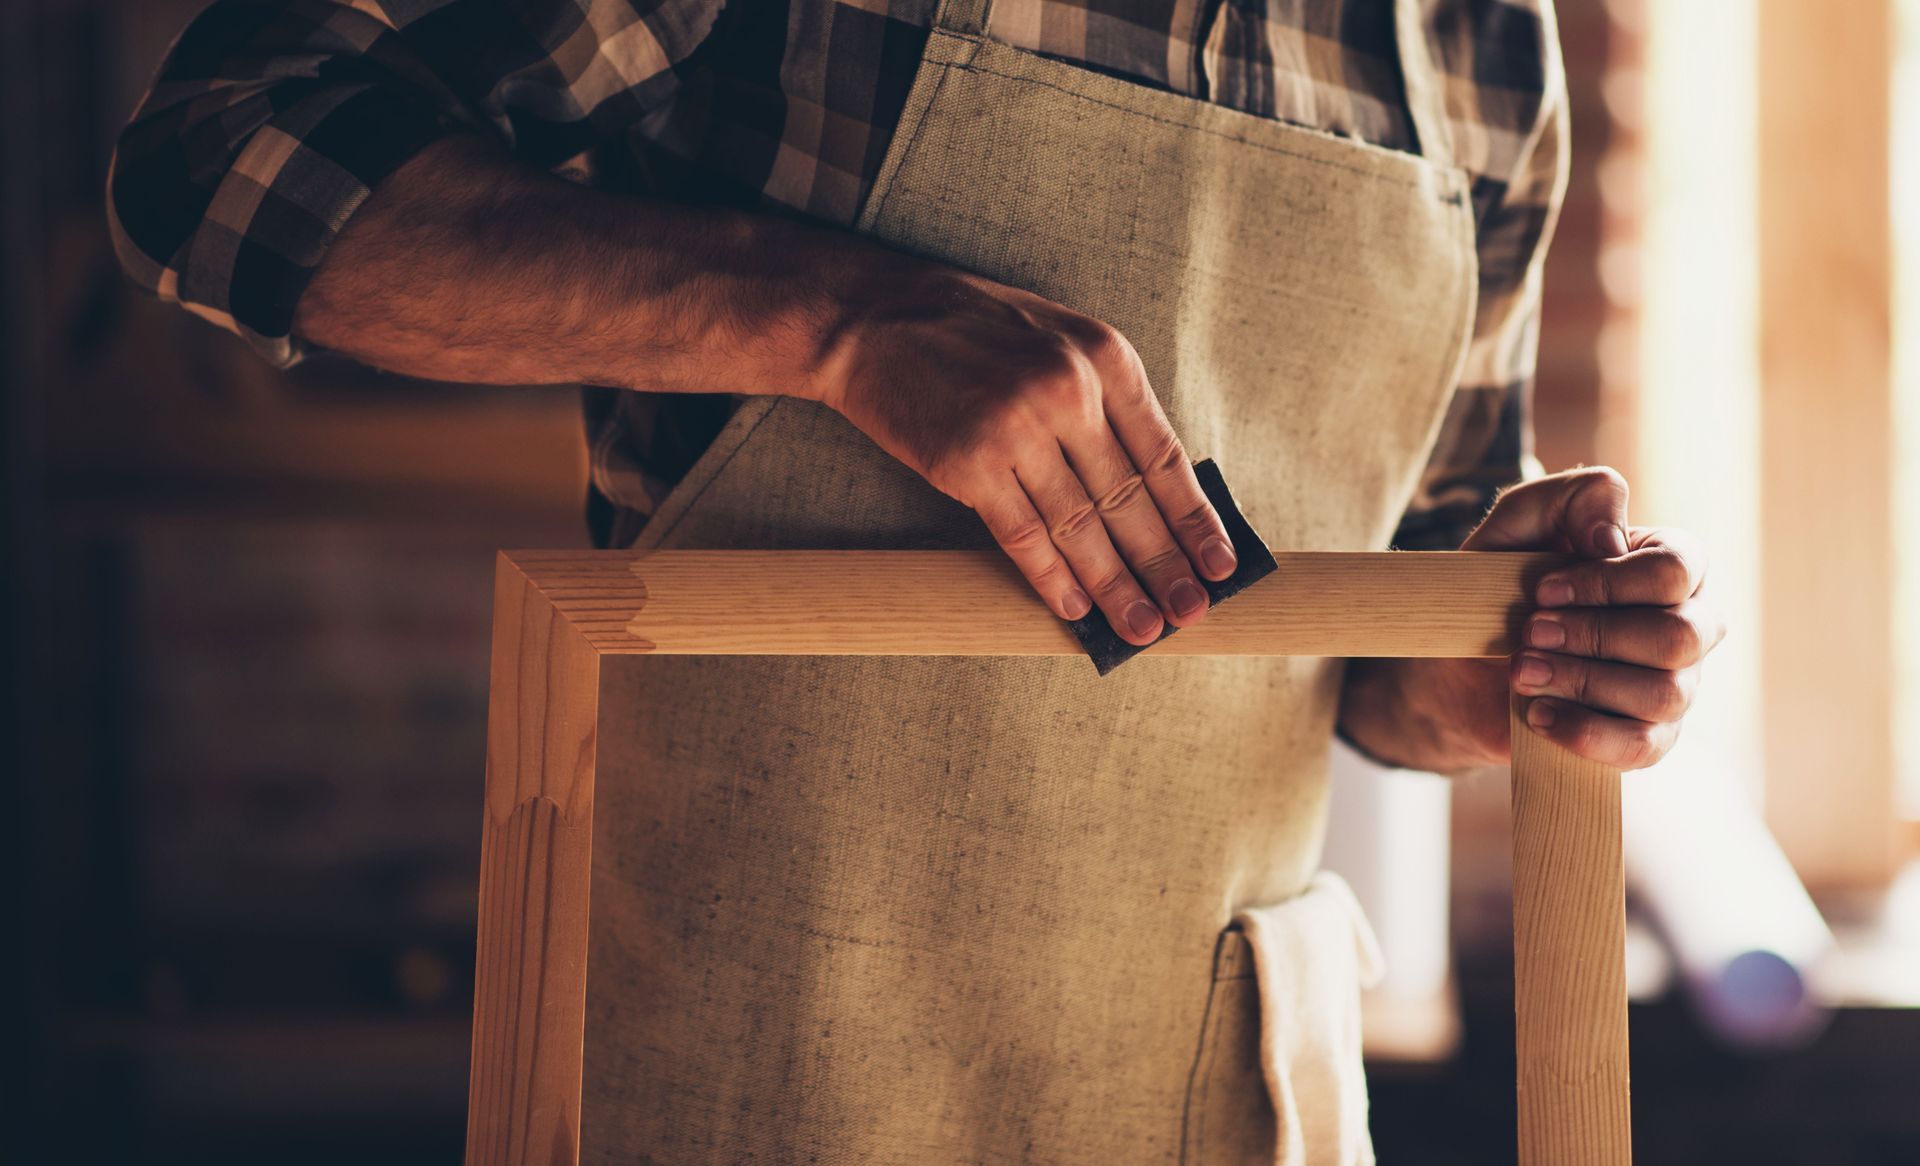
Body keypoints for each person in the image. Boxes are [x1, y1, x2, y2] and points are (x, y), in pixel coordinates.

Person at [109, 0, 1723, 1159]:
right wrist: (837, 321)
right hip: (762, 1062)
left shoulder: (1485, 51)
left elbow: (1390, 632)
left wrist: (1492, 659)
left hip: (1223, 1103)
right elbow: (220, 165)